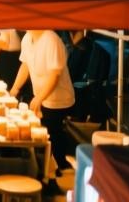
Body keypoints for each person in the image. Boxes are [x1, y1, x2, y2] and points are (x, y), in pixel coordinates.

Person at [11, 30, 77, 183]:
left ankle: (55, 173)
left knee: (50, 134)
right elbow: (25, 65)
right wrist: (14, 89)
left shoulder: (51, 40)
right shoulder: (27, 38)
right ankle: (49, 170)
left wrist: (40, 98)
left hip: (58, 99)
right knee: (44, 134)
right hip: (41, 97)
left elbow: (55, 75)